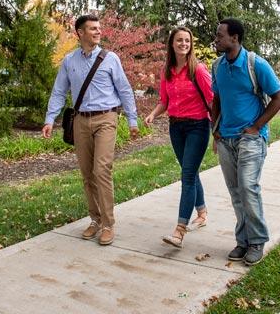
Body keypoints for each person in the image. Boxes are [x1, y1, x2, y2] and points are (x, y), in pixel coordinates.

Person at [42, 14, 139, 245]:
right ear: (80, 33)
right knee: (87, 174)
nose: (98, 32)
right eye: (92, 29)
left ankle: (108, 224)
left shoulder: (110, 58)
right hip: (80, 121)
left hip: (106, 118)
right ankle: (95, 219)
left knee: (101, 170)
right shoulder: (69, 61)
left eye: (99, 28)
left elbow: (124, 90)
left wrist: (133, 120)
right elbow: (58, 91)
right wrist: (49, 119)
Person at [211, 18, 280, 266]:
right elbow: (216, 99)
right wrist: (215, 128)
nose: (216, 39)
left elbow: (278, 97)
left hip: (250, 138)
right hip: (226, 139)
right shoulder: (217, 65)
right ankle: (243, 240)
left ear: (235, 38)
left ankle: (257, 240)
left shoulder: (256, 64)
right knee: (235, 192)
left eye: (220, 35)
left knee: (248, 187)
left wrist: (256, 126)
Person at [145, 26, 213, 248]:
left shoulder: (198, 70)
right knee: (189, 170)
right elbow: (164, 101)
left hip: (198, 127)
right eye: (179, 40)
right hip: (176, 128)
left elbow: (212, 100)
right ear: (172, 44)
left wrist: (219, 129)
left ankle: (179, 230)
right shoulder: (167, 70)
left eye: (187, 40)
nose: (184, 44)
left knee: (187, 175)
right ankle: (201, 213)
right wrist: (153, 115)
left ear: (190, 44)